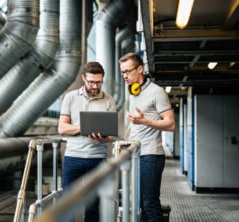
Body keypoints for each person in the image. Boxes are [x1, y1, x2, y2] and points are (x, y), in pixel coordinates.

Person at [119, 52, 175, 222]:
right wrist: (127, 143)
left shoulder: (156, 92)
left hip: (151, 155)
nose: (125, 76)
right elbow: (135, 125)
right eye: (122, 72)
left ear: (140, 68)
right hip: (136, 154)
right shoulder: (132, 93)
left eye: (128, 71)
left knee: (149, 203)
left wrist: (145, 121)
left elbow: (170, 124)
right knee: (140, 204)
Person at [58, 61, 116, 222]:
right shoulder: (70, 97)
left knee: (93, 207)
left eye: (99, 82)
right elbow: (62, 128)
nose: (95, 86)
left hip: (98, 159)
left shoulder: (109, 100)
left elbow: (111, 135)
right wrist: (84, 127)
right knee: (68, 204)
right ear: (84, 78)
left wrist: (103, 137)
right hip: (73, 158)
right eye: (91, 82)